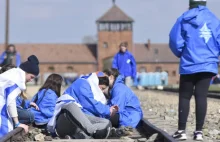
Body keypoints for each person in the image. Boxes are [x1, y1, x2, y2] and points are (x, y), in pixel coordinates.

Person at [169, 0, 219, 140]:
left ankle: (181, 131)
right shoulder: (214, 20)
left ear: (190, 4)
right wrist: (214, 55)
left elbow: (174, 39)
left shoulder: (184, 18)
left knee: (185, 96)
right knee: (201, 96)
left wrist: (181, 53)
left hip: (189, 63)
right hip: (208, 64)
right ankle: (199, 132)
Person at [0, 55, 39, 138]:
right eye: (31, 77)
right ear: (25, 72)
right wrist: (17, 123)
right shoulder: (15, 81)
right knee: (5, 129)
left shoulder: (12, 74)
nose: (31, 80)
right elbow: (11, 101)